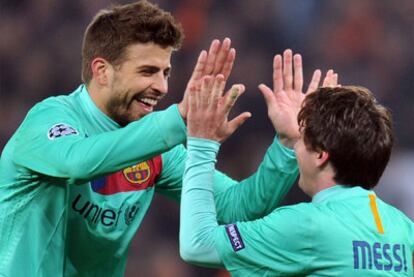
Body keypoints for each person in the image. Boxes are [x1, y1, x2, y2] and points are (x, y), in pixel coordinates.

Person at [0, 1, 324, 276]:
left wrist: (285, 145)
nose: (163, 87)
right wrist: (180, 118)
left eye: (165, 73)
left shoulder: (155, 147)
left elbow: (236, 208)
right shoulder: (50, 119)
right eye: (147, 71)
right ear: (102, 71)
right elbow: (77, 162)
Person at [179, 51, 414, 276]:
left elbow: (199, 244)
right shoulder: (403, 228)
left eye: (301, 140)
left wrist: (202, 143)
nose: (297, 149)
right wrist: (288, 140)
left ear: (321, 154)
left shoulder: (306, 225)